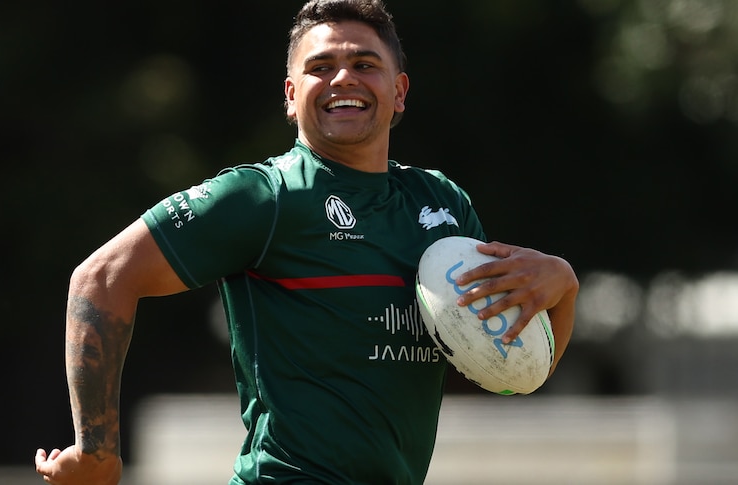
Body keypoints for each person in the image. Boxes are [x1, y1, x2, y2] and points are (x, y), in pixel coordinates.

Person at [34, 0, 578, 483]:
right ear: (292, 96)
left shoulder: (441, 204)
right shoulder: (262, 197)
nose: (343, 78)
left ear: (399, 91)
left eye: (365, 64)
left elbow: (510, 371)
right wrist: (96, 450)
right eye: (320, 68)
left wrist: (564, 286)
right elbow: (101, 278)